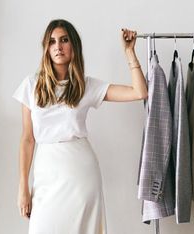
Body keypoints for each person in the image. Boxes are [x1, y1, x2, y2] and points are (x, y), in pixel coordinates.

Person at [12, 19, 147, 234]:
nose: (58, 46)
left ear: (73, 45)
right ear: (46, 48)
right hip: (46, 172)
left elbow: (139, 92)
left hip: (81, 174)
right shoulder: (31, 85)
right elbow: (27, 139)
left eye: (64, 40)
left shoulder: (86, 86)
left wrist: (129, 52)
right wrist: (23, 187)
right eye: (52, 41)